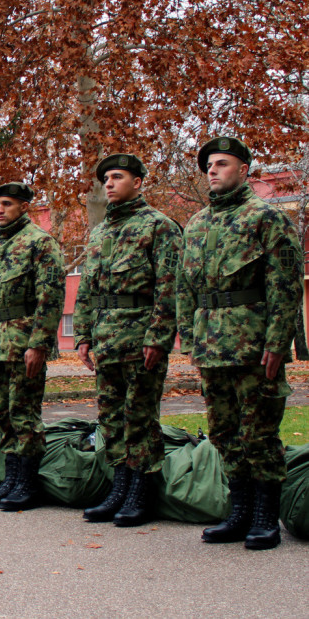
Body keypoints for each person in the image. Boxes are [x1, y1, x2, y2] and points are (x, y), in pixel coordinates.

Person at [178, 137, 303, 550]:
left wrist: (277, 341)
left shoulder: (266, 218)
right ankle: (240, 510)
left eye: (222, 163)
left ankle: (265, 517)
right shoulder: (197, 224)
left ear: (244, 170)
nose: (212, 170)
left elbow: (285, 285)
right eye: (209, 165)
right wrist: (189, 338)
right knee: (223, 431)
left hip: (253, 345)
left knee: (259, 432)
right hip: (211, 345)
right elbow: (185, 287)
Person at [74, 154, 183, 526]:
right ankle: (119, 487)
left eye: (117, 177)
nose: (108, 183)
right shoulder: (100, 232)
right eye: (105, 178)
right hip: (106, 340)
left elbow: (169, 288)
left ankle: (141, 492)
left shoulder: (159, 226)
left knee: (140, 417)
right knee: (110, 419)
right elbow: (87, 290)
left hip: (140, 339)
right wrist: (83, 335)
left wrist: (158, 337)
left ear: (137, 182)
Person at [0, 182, 65, 511]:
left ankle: (27, 482)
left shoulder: (40, 242)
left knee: (24, 412)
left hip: (23, 339)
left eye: (7, 204)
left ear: (24, 207)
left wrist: (39, 344)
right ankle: (11, 478)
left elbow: (50, 296)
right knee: (4, 413)